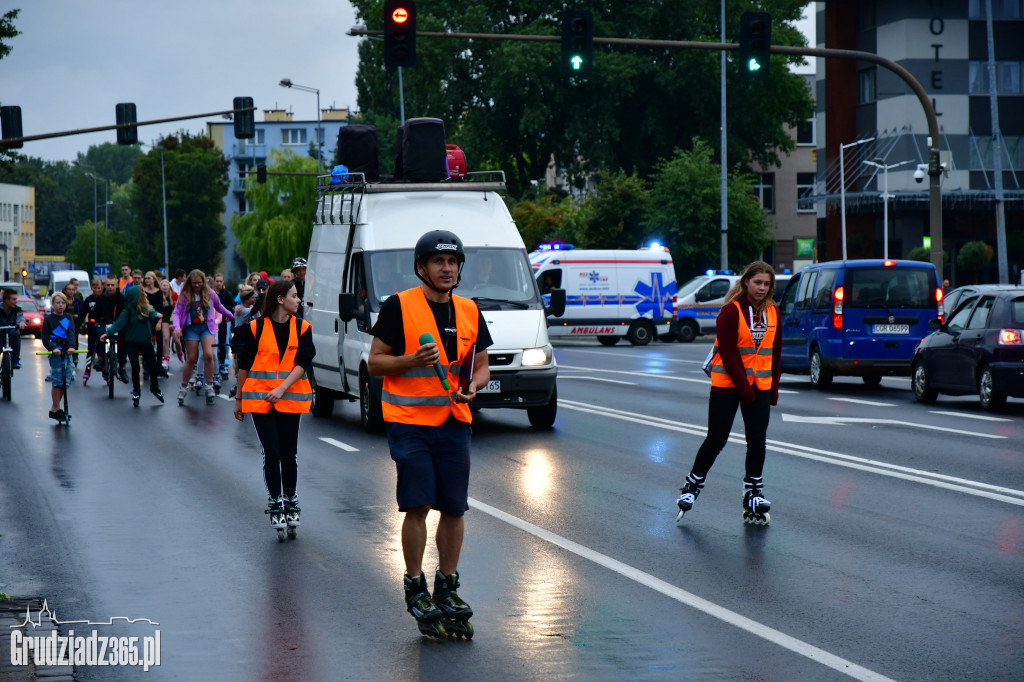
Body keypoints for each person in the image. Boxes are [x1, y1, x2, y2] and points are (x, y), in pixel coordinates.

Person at [367, 230, 492, 640]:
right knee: (418, 504)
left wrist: (474, 385)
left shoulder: (470, 310)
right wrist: (410, 359)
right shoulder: (399, 306)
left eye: (453, 262)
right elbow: (374, 363)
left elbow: (482, 366)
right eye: (438, 262)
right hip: (408, 420)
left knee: (455, 508)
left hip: (455, 420)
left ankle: (448, 586)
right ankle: (414, 584)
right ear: (421, 268)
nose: (446, 268)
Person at [675, 261, 781, 525]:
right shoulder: (730, 312)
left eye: (766, 284)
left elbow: (776, 353)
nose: (762, 288)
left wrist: (774, 388)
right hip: (727, 386)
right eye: (757, 282)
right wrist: (744, 388)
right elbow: (731, 355)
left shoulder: (773, 313)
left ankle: (753, 493)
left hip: (760, 386)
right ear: (746, 282)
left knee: (758, 441)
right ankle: (691, 486)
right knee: (717, 439)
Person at [233, 280, 314, 540]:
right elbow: (244, 365)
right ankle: (275, 501)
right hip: (260, 401)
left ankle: (291, 498)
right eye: (294, 295)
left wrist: (281, 388)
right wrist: (238, 399)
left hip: (290, 399)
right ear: (280, 299)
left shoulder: (303, 327)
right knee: (272, 452)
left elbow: (302, 363)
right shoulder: (254, 329)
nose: (298, 300)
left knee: (289, 454)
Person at [172, 269, 234, 405]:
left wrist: (231, 315)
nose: (197, 285)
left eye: (199, 283)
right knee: (192, 358)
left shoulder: (210, 293)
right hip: (191, 329)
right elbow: (176, 313)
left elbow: (219, 306)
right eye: (194, 283)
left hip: (207, 327)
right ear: (190, 282)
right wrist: (177, 327)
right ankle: (183, 387)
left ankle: (209, 384)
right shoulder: (185, 294)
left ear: (203, 282)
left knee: (208, 355)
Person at [101, 285, 164, 407]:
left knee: (152, 365)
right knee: (135, 366)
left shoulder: (146, 307)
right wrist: (107, 333)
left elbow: (152, 312)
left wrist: (156, 315)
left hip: (146, 341)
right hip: (132, 342)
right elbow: (118, 323)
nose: (145, 294)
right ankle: (136, 390)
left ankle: (155, 387)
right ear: (136, 296)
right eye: (142, 293)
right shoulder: (128, 310)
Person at [41, 292, 78, 422]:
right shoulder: (49, 319)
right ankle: (55, 408)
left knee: (66, 381)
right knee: (57, 381)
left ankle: (55, 409)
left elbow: (71, 333)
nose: (60, 305)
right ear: (53, 304)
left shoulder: (68, 317)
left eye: (63, 302)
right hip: (56, 353)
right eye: (58, 303)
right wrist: (53, 348)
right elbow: (45, 338)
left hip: (67, 352)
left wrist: (72, 346)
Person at [94, 274, 129, 384]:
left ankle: (121, 368)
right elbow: (96, 314)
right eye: (108, 285)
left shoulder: (122, 299)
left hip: (118, 325)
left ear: (117, 285)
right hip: (104, 324)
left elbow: (125, 313)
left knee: (124, 340)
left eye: (112, 285)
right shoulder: (100, 299)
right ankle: (100, 359)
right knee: (99, 333)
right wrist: (95, 322)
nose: (110, 287)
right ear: (104, 285)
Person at [80, 278, 104, 382]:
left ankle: (104, 368)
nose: (97, 290)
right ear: (92, 288)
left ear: (101, 288)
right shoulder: (89, 299)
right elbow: (83, 312)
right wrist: (81, 323)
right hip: (92, 326)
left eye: (98, 288)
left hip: (103, 325)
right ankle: (87, 370)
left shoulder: (105, 298)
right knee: (91, 348)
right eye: (95, 288)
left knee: (102, 347)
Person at [213, 273, 235, 379]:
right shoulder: (210, 294)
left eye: (220, 281)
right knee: (211, 344)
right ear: (214, 281)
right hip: (211, 321)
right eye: (217, 281)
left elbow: (232, 306)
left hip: (222, 322)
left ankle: (222, 364)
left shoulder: (226, 294)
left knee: (222, 343)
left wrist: (229, 316)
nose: (219, 283)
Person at [0, 288, 27, 369]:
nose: (16, 301)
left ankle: (15, 360)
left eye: (16, 299)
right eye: (14, 299)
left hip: (11, 332)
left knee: (15, 333)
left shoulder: (17, 310)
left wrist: (22, 323)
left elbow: (20, 318)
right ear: (6, 300)